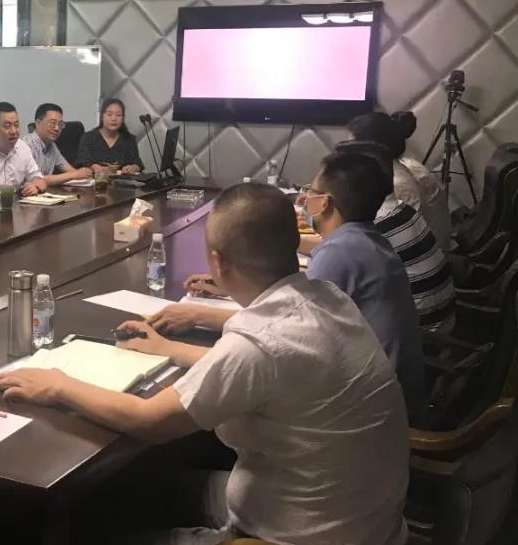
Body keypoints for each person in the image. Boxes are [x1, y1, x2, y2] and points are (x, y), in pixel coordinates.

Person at [0, 183, 409, 545]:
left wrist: (59, 384)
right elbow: (260, 365)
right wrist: (170, 348)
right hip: (349, 534)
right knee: (140, 487)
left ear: (217, 261)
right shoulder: (325, 298)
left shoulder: (261, 343)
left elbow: (148, 421)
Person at [172, 156, 426, 425]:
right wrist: (231, 280)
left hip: (365, 408)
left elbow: (285, 321)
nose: (304, 198)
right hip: (386, 394)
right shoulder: (361, 238)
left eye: (311, 191)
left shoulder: (339, 253)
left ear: (325, 203)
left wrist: (196, 314)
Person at [337, 140, 455, 332]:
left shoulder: (375, 224)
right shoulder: (399, 210)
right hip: (440, 316)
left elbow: (332, 278)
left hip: (421, 333)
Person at [349, 111, 450, 248]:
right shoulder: (400, 166)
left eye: (351, 148)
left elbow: (395, 238)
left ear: (373, 149)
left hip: (417, 256)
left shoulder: (398, 184)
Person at [23, 103, 92, 186]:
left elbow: (71, 171)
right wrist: (73, 175)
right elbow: (36, 180)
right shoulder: (26, 145)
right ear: (38, 123)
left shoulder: (52, 146)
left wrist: (84, 173)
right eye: (52, 123)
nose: (57, 128)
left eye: (60, 124)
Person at [75, 98, 142, 175]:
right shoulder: (88, 138)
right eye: (109, 114)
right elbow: (81, 164)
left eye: (118, 115)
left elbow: (137, 164)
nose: (113, 119)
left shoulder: (129, 139)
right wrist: (92, 167)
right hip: (95, 180)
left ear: (123, 118)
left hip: (123, 181)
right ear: (102, 116)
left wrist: (134, 167)